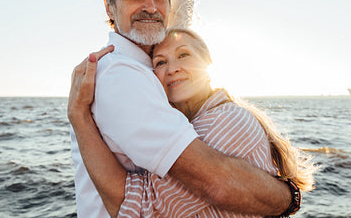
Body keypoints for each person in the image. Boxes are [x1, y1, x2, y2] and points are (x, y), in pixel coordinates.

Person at [70, 0, 294, 218]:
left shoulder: (143, 71)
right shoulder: (121, 74)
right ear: (109, 7)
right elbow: (215, 182)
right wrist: (289, 198)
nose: (150, 7)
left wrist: (78, 117)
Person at [69, 27, 316, 217]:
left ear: (207, 64)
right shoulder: (195, 122)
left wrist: (80, 117)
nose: (173, 68)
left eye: (183, 54)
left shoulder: (227, 121)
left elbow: (138, 207)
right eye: (161, 62)